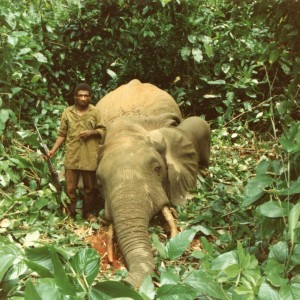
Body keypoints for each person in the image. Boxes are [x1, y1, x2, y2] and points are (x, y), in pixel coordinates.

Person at [49, 83, 105, 220]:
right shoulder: (67, 112)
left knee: (90, 188)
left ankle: (88, 214)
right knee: (70, 189)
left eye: (86, 96)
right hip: (72, 155)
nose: (83, 98)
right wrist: (52, 151)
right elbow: (62, 134)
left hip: (89, 155)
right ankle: (71, 215)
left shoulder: (95, 112)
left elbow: (103, 130)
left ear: (90, 97)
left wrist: (91, 133)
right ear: (75, 97)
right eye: (80, 95)